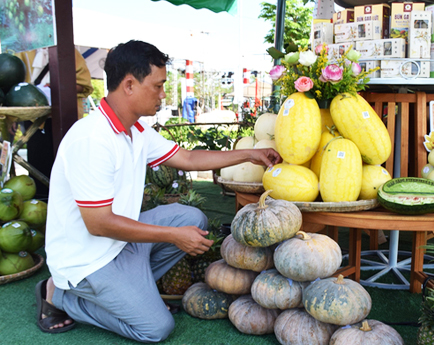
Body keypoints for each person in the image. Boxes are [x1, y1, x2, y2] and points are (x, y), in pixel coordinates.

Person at [35, 40, 281, 342]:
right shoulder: (91, 140)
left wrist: (249, 155)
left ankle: (133, 293)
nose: (163, 94)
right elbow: (98, 224)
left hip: (120, 245)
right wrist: (172, 236)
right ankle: (59, 296)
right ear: (129, 85)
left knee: (190, 218)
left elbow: (188, 159)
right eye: (158, 85)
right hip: (88, 260)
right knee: (155, 328)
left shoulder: (136, 129)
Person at [14, 48, 94, 198]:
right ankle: (41, 202)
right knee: (38, 164)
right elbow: (12, 87)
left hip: (64, 117)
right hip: (32, 118)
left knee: (66, 166)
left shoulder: (69, 51)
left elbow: (84, 85)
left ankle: (68, 199)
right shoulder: (23, 52)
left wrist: (58, 87)